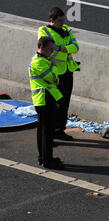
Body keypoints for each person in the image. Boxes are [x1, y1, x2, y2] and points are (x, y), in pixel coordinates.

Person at [38, 7, 80, 141]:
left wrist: (61, 48)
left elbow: (76, 48)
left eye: (63, 20)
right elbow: (49, 50)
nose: (62, 23)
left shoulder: (66, 30)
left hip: (67, 70)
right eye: (60, 21)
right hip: (55, 73)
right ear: (52, 20)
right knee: (54, 104)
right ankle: (50, 134)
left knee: (64, 103)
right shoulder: (44, 31)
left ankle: (59, 130)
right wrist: (66, 51)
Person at [29, 36, 65, 169]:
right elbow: (52, 78)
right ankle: (47, 160)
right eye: (50, 49)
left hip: (44, 99)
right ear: (42, 47)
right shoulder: (39, 62)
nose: (52, 52)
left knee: (43, 130)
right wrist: (54, 67)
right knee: (47, 132)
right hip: (44, 99)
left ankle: (43, 157)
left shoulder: (43, 60)